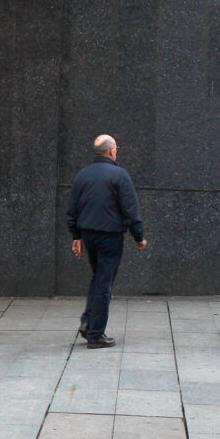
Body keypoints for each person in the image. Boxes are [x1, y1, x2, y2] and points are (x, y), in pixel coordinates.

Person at [64, 135, 146, 350]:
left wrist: (76, 235)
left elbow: (72, 209)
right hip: (110, 236)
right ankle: (95, 333)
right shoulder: (120, 176)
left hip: (88, 234)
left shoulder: (83, 175)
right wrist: (139, 236)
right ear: (111, 150)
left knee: (97, 277)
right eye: (116, 148)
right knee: (104, 283)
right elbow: (131, 209)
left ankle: (88, 321)